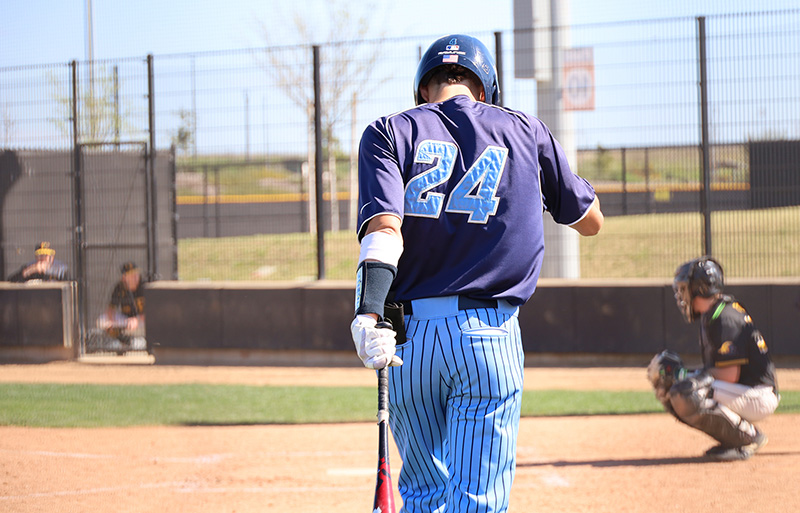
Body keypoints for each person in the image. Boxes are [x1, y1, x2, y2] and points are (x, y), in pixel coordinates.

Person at [350, 34, 603, 512]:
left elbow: (383, 231)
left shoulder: (388, 131)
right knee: (477, 502)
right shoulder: (527, 131)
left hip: (410, 342)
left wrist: (367, 313)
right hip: (487, 336)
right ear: (484, 90)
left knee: (423, 496)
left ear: (424, 88)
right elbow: (589, 222)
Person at [647, 256, 780, 461]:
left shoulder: (724, 318)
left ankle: (750, 437)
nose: (681, 296)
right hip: (746, 391)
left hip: (758, 395)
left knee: (687, 392)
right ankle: (734, 439)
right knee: (678, 389)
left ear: (699, 289)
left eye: (684, 289)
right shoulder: (716, 313)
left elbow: (729, 374)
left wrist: (684, 375)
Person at [97, 261, 146, 350]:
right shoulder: (119, 288)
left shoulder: (144, 286)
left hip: (143, 322)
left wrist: (137, 320)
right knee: (102, 320)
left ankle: (141, 342)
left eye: (136, 274)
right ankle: (127, 342)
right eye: (131, 275)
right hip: (127, 321)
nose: (135, 277)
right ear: (124, 278)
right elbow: (111, 309)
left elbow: (153, 312)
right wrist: (111, 321)